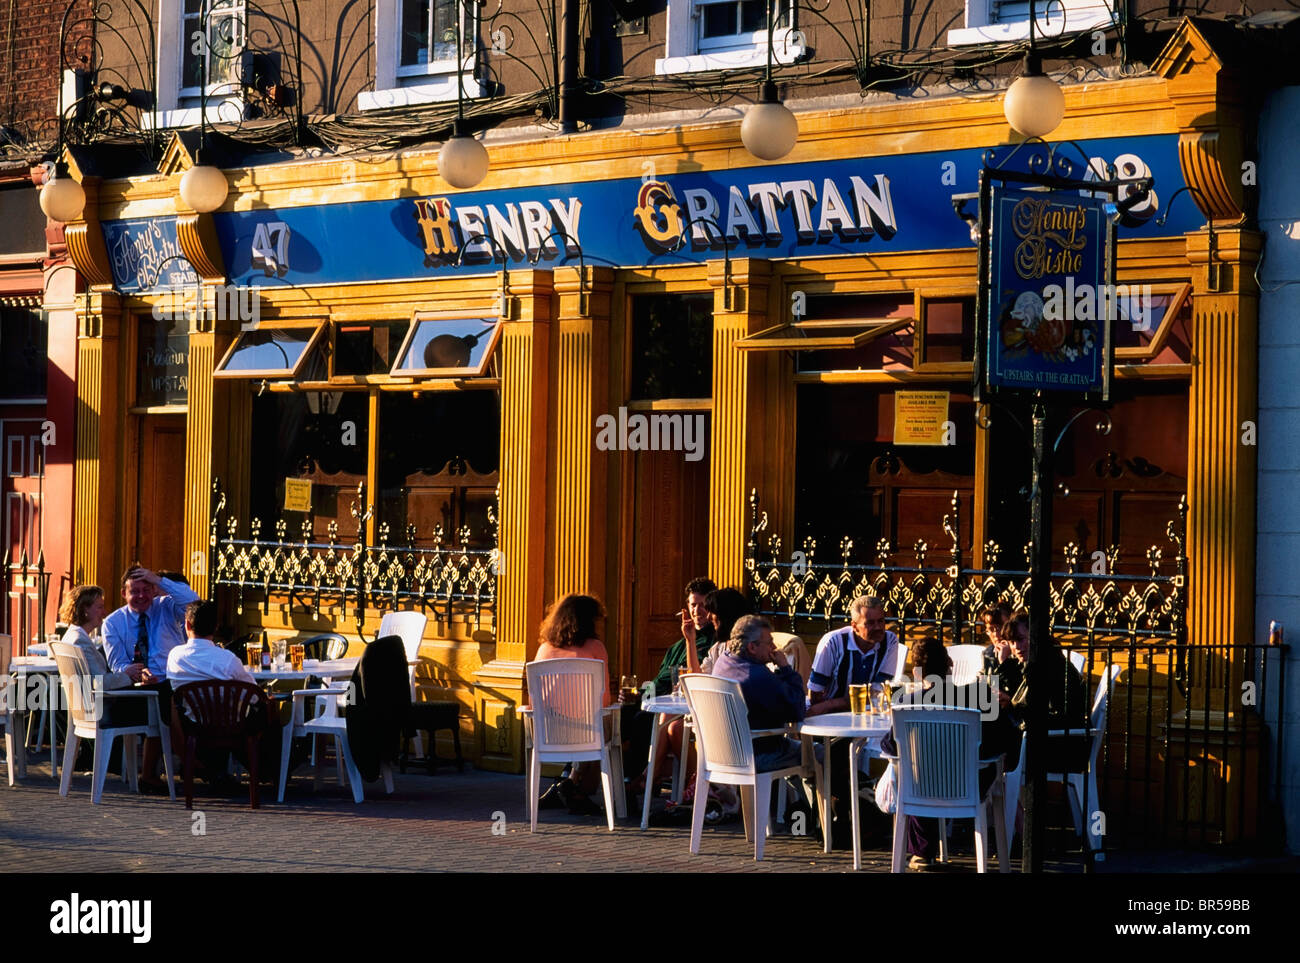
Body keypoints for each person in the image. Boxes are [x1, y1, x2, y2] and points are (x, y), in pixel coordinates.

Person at [881, 634, 1017, 870]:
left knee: (915, 768)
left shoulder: (905, 705)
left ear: (917, 673)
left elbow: (889, 746)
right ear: (949, 665)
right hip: (969, 786)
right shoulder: (980, 698)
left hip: (921, 790)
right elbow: (1005, 739)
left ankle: (922, 852)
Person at [100, 565, 199, 789]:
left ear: (154, 591)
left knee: (180, 696)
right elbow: (118, 665)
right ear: (124, 594)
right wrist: (137, 672)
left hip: (173, 681)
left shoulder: (166, 607)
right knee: (165, 699)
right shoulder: (113, 623)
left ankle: (159, 773)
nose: (141, 596)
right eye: (135, 591)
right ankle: (192, 764)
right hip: (135, 690)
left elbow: (194, 602)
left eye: (147, 589)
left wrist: (160, 580)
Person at [531, 594, 611, 816]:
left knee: (592, 731)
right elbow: (604, 700)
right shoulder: (595, 648)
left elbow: (534, 701)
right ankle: (578, 789)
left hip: (548, 733)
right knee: (608, 733)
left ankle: (571, 784)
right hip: (586, 734)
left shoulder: (544, 649)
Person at [989, 611, 1089, 771]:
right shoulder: (1038, 660)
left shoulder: (1048, 665)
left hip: (1060, 748)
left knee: (987, 739)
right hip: (1044, 740)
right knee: (987, 733)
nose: (1016, 647)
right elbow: (1024, 698)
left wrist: (1012, 705)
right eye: (1012, 642)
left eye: (1021, 639)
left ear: (1035, 635)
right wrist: (1004, 664)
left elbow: (1047, 715)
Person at [709, 615, 805, 773]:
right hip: (758, 756)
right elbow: (797, 710)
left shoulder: (723, 662)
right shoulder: (756, 675)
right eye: (769, 643)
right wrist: (786, 668)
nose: (774, 647)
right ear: (752, 647)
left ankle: (791, 798)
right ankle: (840, 798)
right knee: (821, 754)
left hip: (721, 755)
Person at [806, 595, 904, 716]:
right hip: (831, 715)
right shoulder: (833, 642)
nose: (878, 627)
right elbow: (815, 694)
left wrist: (830, 704)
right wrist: (830, 708)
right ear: (854, 626)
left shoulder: (890, 641)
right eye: (870, 623)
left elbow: (878, 692)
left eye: (881, 621)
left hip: (867, 713)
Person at [166, 601, 255, 688]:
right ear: (216, 627)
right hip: (220, 703)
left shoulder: (175, 656)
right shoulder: (229, 660)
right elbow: (254, 696)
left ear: (187, 625)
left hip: (186, 703)